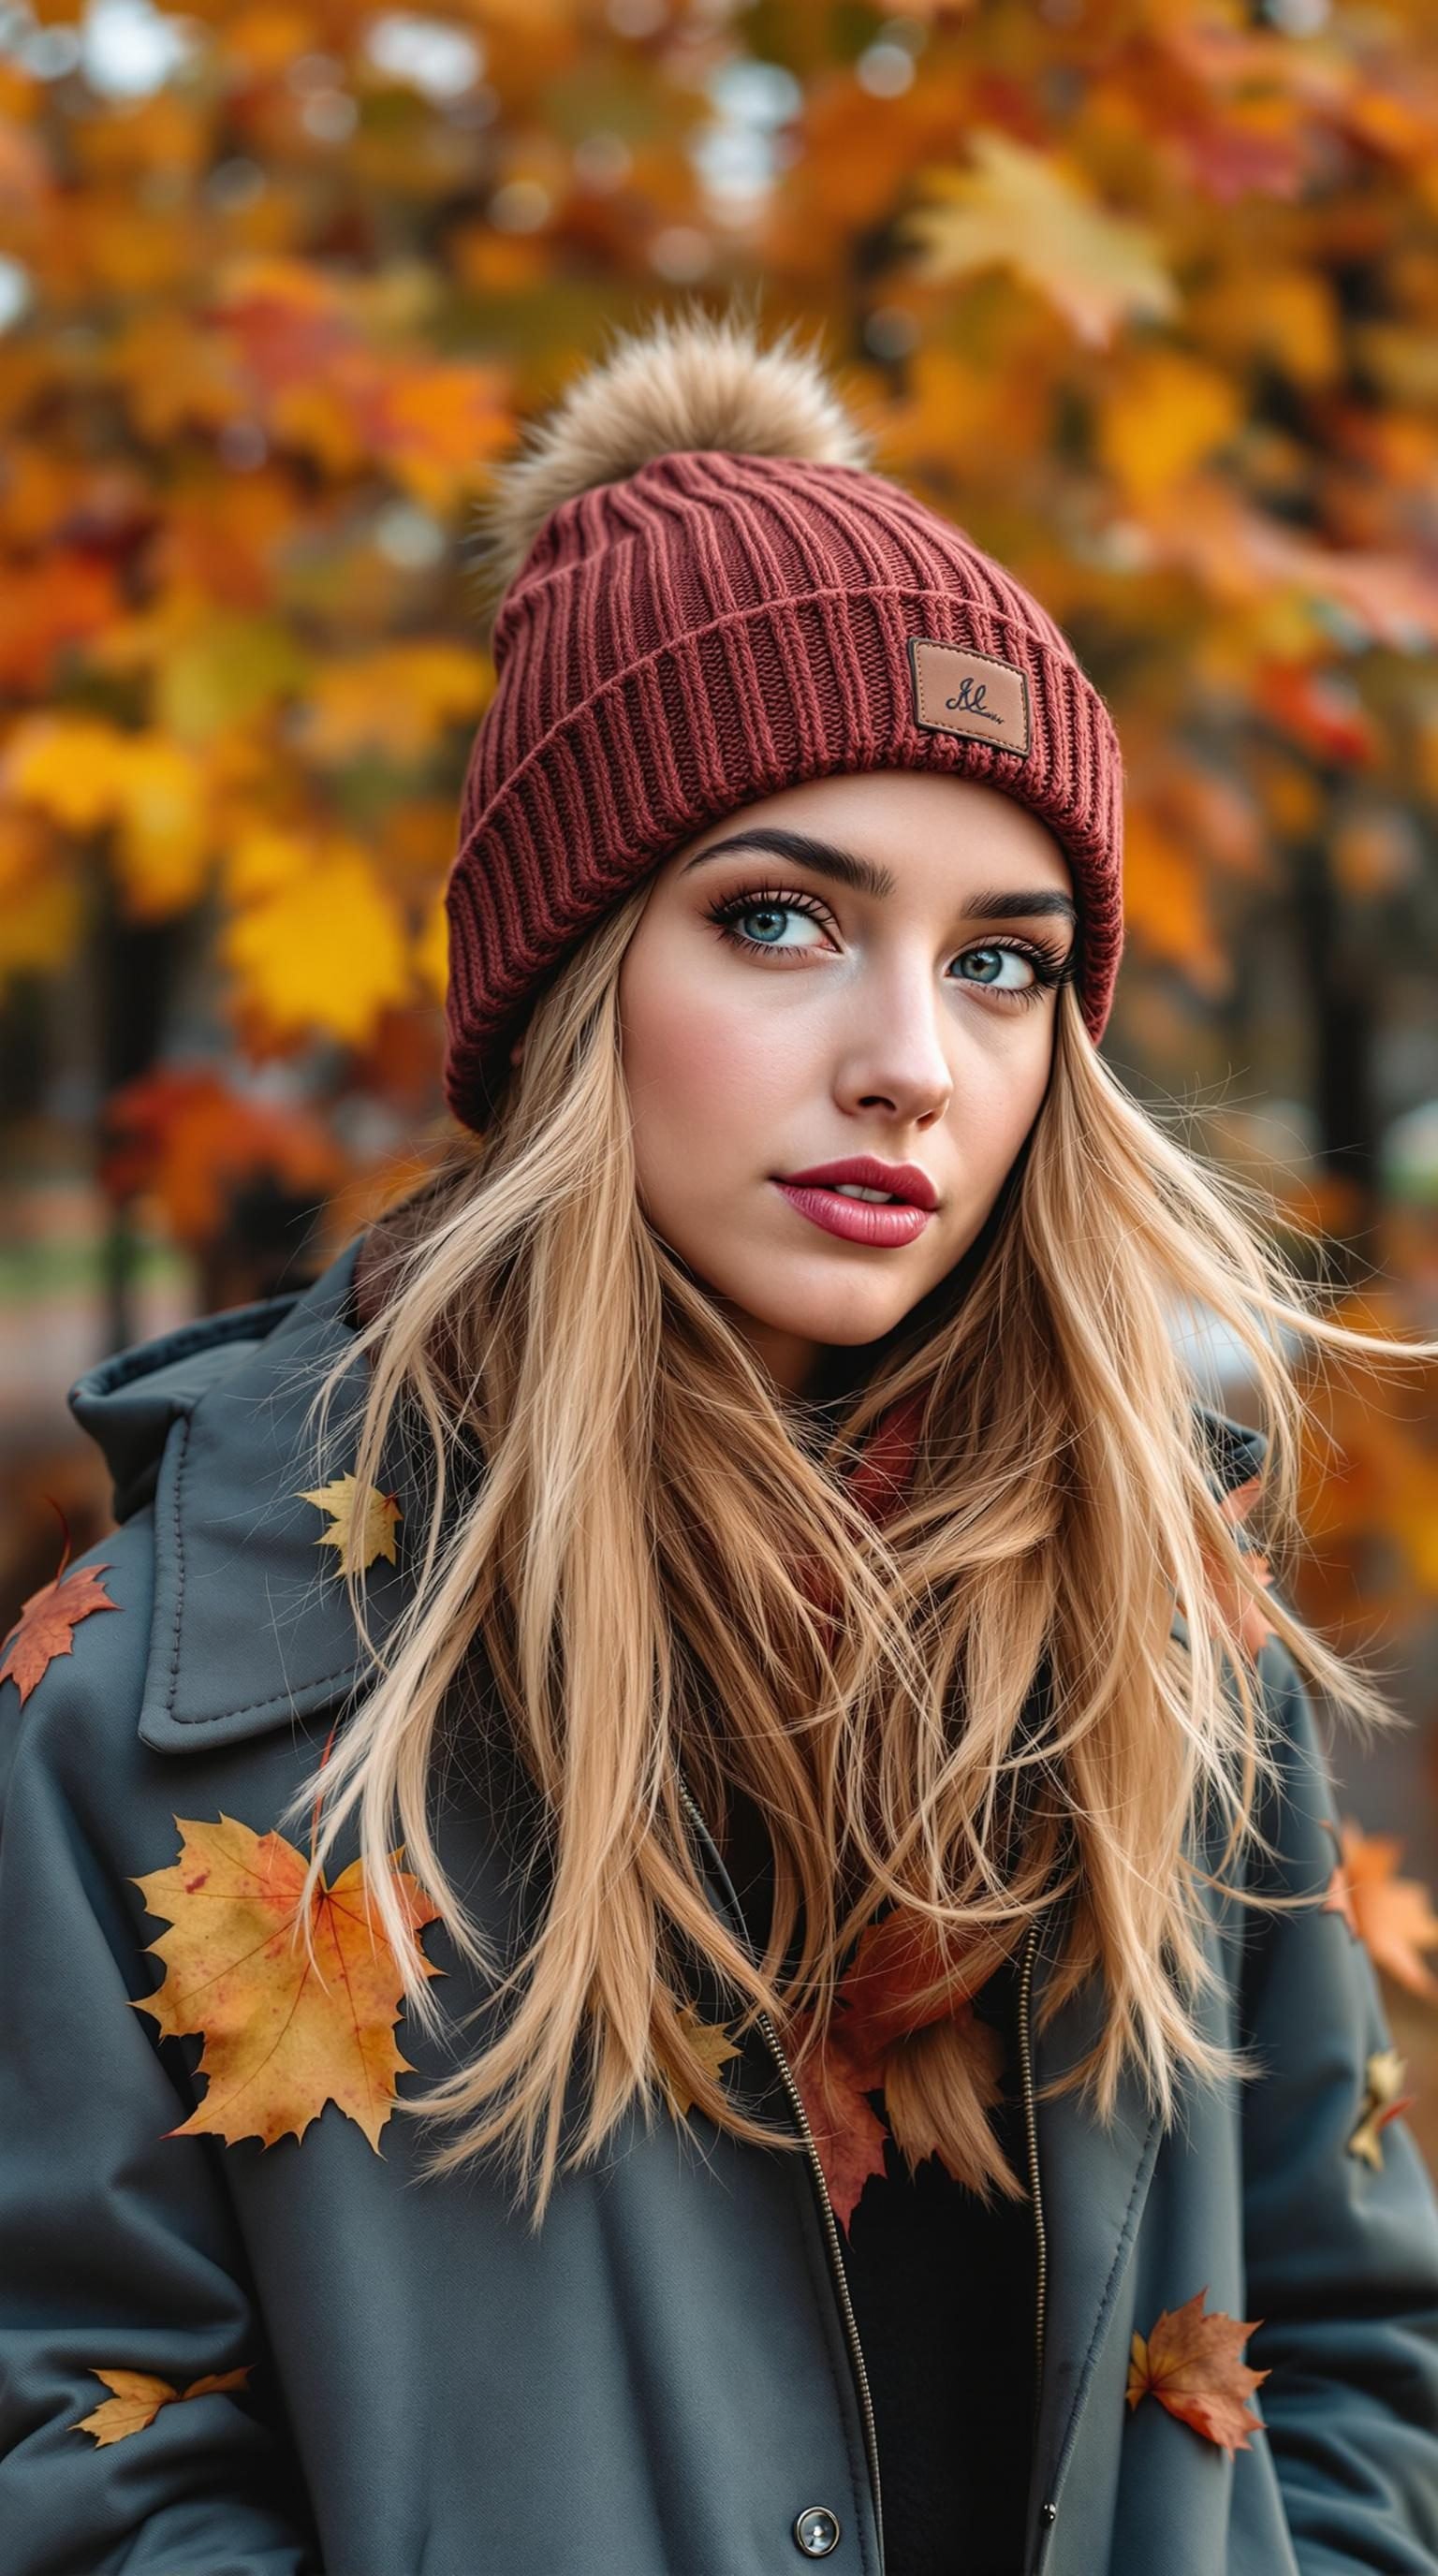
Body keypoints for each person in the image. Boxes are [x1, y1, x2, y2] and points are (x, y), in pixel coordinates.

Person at [2, 300, 1437, 2576]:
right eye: (782, 918)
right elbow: (75, 2481)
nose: (912, 1062)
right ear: (572, 982)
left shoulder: (1163, 1620)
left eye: (1005, 958)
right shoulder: (172, 1707)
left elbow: (1355, 2362)